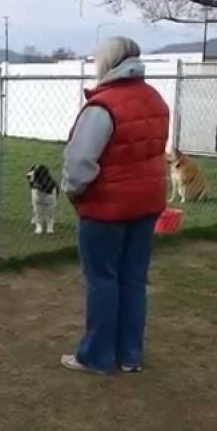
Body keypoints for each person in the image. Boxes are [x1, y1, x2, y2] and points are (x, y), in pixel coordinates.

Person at [60, 36, 169, 374]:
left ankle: (97, 356)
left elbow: (79, 163)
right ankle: (130, 355)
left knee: (102, 280)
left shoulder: (102, 106)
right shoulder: (155, 99)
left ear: (107, 62)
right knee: (134, 280)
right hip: (147, 204)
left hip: (105, 210)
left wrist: (74, 192)